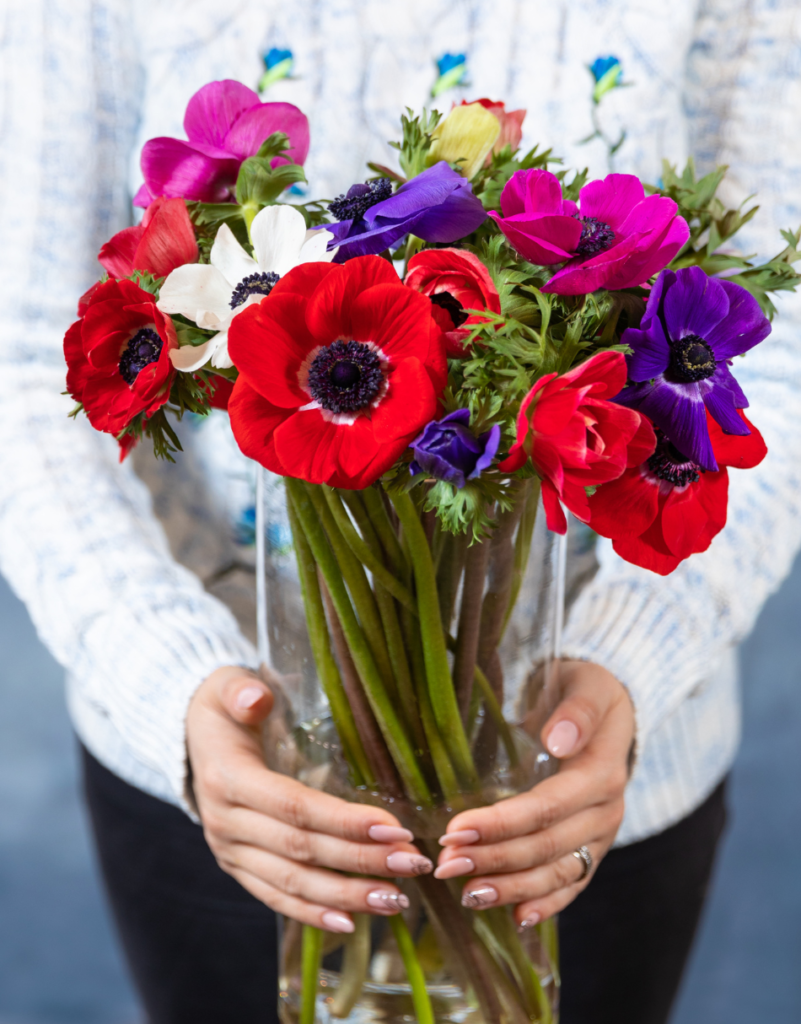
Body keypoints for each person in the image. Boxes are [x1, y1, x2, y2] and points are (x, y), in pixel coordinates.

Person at [2, 1, 800, 1022]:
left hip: (580, 790)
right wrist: (169, 682)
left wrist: (629, 666)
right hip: (233, 785)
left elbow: (777, 362)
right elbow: (27, 360)